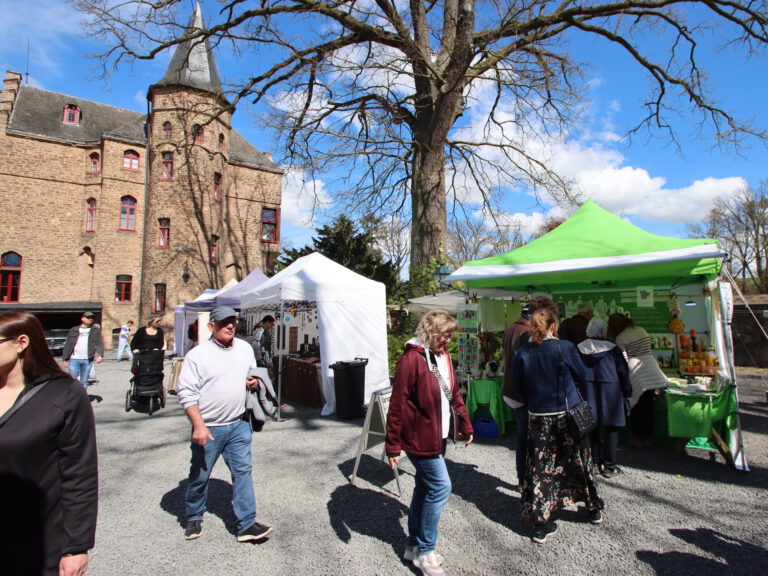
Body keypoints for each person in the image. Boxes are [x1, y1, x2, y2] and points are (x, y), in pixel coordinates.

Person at [0, 310, 98, 576]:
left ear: (21, 342)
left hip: (35, 541)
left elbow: (80, 474)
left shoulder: (63, 395)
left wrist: (76, 546)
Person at [385, 310, 474, 576]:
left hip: (439, 435)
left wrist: (465, 424)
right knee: (440, 486)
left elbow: (454, 393)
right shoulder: (410, 360)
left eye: (450, 335)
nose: (449, 340)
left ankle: (413, 545)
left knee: (424, 488)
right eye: (446, 334)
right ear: (432, 332)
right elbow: (397, 404)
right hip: (417, 438)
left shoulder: (444, 356)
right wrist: (392, 445)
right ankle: (426, 551)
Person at [176, 306, 273, 543]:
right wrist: (198, 425)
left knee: (243, 472)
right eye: (224, 322)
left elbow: (253, 376)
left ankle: (246, 524)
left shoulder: (244, 348)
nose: (230, 326)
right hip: (209, 427)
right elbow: (187, 393)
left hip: (238, 424)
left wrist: (253, 383)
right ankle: (194, 515)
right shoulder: (197, 356)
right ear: (211, 327)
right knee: (200, 474)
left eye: (233, 321)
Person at [510, 300, 603, 544]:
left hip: (538, 417)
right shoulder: (565, 347)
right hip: (566, 415)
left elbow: (517, 386)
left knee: (541, 469)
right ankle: (593, 508)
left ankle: (541, 521)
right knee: (580, 461)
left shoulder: (522, 352)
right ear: (554, 325)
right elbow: (583, 374)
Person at [502, 296, 559, 490]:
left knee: (522, 437)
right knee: (529, 439)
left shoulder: (511, 327)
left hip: (513, 390)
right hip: (527, 394)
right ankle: (528, 481)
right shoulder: (528, 331)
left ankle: (522, 480)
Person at [578, 317, 632, 478]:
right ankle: (609, 466)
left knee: (590, 426)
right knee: (611, 428)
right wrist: (627, 390)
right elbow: (623, 371)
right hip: (611, 389)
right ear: (604, 332)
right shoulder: (613, 349)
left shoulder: (579, 348)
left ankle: (593, 462)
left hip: (587, 388)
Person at [607, 313, 669, 448]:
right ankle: (648, 438)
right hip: (652, 368)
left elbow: (622, 360)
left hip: (636, 371)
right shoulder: (641, 330)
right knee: (648, 406)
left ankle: (638, 438)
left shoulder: (621, 337)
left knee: (636, 407)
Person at [61, 311, 104, 388]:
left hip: (87, 359)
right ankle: (73, 398)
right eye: (88, 317)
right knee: (72, 381)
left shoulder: (95, 330)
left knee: (84, 382)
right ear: (82, 319)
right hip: (74, 359)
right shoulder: (73, 330)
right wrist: (65, 358)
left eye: (92, 318)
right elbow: (68, 344)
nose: (90, 319)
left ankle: (82, 399)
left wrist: (100, 355)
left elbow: (99, 343)